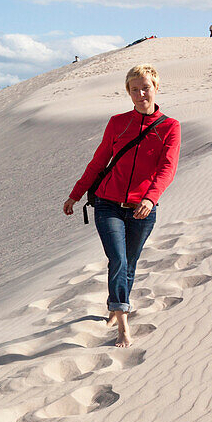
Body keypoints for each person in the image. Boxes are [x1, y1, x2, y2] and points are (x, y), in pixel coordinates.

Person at [63, 64, 181, 347]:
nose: (141, 94)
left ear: (156, 88)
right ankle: (122, 324)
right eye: (134, 90)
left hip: (143, 208)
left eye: (146, 88)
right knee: (117, 259)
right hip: (107, 204)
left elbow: (168, 169)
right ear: (128, 93)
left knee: (129, 263)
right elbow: (98, 161)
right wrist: (76, 194)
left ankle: (117, 304)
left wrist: (150, 198)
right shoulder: (118, 122)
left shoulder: (170, 127)